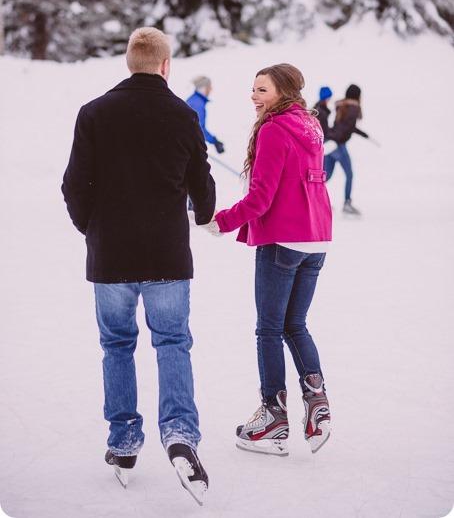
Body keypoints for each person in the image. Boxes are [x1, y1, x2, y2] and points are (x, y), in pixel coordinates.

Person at [61, 27, 215, 505]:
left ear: (130, 62)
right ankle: (180, 435)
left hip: (111, 256)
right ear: (165, 66)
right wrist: (203, 215)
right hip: (167, 254)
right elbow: (202, 187)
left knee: (117, 345)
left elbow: (73, 185)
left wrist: (94, 230)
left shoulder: (94, 113)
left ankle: (124, 439)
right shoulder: (183, 114)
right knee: (172, 342)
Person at [207, 63, 332, 456]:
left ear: (283, 92)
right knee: (295, 324)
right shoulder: (310, 126)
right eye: (253, 89)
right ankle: (318, 406)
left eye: (262, 90)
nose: (254, 97)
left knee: (269, 329)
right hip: (315, 239)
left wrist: (222, 221)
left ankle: (274, 419)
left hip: (283, 240)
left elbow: (261, 197)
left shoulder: (275, 130)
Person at [324, 83, 369, 216]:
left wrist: (362, 134)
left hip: (330, 142)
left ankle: (313, 199)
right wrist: (336, 139)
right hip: (337, 144)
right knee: (349, 174)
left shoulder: (343, 106)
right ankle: (347, 203)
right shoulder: (354, 108)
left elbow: (346, 126)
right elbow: (344, 128)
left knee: (326, 175)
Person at [186, 76, 225, 154]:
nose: (211, 90)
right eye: (209, 87)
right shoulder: (196, 104)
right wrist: (214, 141)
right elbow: (198, 128)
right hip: (187, 146)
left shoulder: (195, 101)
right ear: (203, 88)